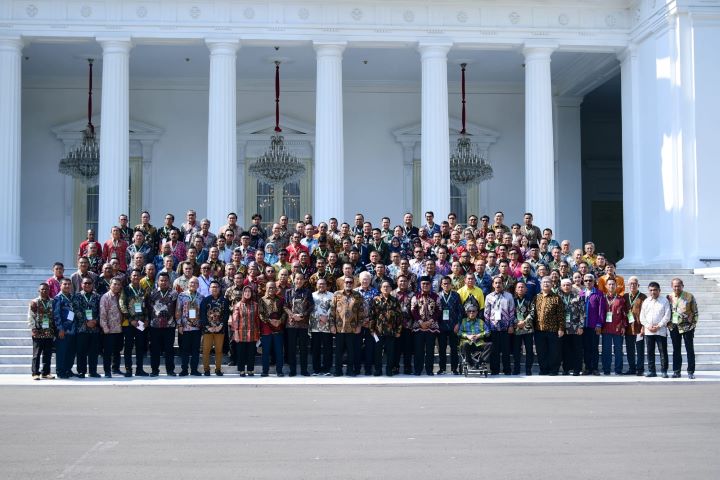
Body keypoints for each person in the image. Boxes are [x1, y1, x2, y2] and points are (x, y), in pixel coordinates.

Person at [528, 276, 565, 376]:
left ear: (552, 284)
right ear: (540, 285)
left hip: (553, 329)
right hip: (539, 329)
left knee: (554, 351)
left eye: (548, 282)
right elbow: (532, 313)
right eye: (544, 282)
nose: (546, 284)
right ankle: (543, 369)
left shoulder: (556, 298)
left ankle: (554, 370)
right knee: (541, 351)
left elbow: (561, 314)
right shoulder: (537, 297)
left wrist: (561, 328)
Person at [330, 277, 364, 376]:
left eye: (350, 282)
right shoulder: (337, 294)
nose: (348, 283)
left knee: (351, 352)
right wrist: (332, 325)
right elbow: (332, 311)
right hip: (339, 328)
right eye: (346, 282)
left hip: (352, 329)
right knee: (338, 352)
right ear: (343, 283)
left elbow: (361, 312)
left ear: (353, 284)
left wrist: (359, 325)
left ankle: (350, 370)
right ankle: (338, 371)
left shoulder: (357, 295)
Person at [147, 272, 178, 376]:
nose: (163, 282)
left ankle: (170, 370)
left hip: (169, 326)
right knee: (155, 349)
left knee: (169, 349)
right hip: (155, 326)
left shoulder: (174, 293)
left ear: (169, 282)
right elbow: (148, 309)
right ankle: (155, 370)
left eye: (165, 280)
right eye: (161, 280)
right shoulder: (152, 293)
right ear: (158, 281)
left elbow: (177, 309)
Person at [667, 278, 699, 379]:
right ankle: (676, 371)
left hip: (687, 327)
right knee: (676, 350)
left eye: (679, 285)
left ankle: (690, 371)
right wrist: (668, 324)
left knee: (689, 349)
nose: (676, 288)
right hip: (674, 327)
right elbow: (666, 311)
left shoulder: (689, 296)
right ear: (672, 286)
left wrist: (693, 324)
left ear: (682, 286)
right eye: (675, 286)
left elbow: (695, 312)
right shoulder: (669, 297)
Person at [118, 269, 148, 376]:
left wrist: (146, 320)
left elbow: (147, 306)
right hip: (129, 323)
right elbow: (122, 305)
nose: (136, 277)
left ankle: (139, 369)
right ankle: (128, 369)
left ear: (140, 277)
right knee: (129, 347)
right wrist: (131, 320)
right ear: (130, 277)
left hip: (140, 323)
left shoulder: (143, 290)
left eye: (137, 275)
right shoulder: (125, 290)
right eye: (134, 276)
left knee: (140, 346)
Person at [483, 276, 515, 375]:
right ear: (493, 284)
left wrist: (510, 325)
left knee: (506, 350)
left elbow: (512, 311)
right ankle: (494, 370)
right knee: (494, 351)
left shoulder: (509, 296)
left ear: (503, 284)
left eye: (499, 283)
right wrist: (487, 328)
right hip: (493, 328)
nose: (498, 285)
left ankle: (507, 370)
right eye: (496, 283)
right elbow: (486, 313)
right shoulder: (489, 297)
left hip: (505, 328)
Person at [369, 280, 402, 376]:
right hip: (378, 331)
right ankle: (378, 370)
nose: (386, 288)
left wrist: (398, 330)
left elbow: (399, 317)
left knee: (391, 352)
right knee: (377, 352)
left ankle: (389, 370)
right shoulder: (376, 300)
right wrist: (371, 330)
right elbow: (372, 316)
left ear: (391, 289)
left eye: (388, 286)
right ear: (380, 289)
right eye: (384, 286)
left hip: (391, 331)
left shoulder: (395, 300)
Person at [284, 273, 314, 376]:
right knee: (291, 348)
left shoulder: (307, 292)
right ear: (293, 279)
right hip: (291, 324)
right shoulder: (288, 292)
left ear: (304, 281)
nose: (299, 281)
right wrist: (292, 315)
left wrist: (302, 315)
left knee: (303, 348)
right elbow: (285, 306)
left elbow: (311, 306)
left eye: (301, 279)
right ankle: (292, 370)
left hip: (303, 324)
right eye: (297, 279)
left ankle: (304, 370)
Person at [640, 282, 671, 378]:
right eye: (651, 290)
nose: (653, 292)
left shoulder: (664, 301)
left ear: (659, 290)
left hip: (661, 331)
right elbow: (642, 316)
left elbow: (667, 315)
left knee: (663, 352)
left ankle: (664, 371)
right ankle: (651, 371)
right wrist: (648, 326)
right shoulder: (646, 301)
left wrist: (659, 326)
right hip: (649, 331)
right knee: (650, 352)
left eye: (655, 290)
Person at [410, 276, 440, 376]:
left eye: (427, 284)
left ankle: (429, 370)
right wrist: (420, 322)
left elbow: (439, 310)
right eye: (423, 284)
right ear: (420, 285)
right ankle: (418, 369)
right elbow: (413, 310)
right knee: (418, 349)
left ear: (430, 285)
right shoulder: (415, 296)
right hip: (418, 327)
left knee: (430, 350)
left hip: (431, 327)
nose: (425, 285)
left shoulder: (436, 296)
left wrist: (430, 321)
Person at [72, 278, 101, 378]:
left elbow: (101, 310)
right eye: (85, 283)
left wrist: (96, 321)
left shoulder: (97, 296)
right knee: (81, 351)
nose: (87, 285)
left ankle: (93, 371)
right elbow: (76, 310)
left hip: (94, 328)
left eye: (89, 283)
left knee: (94, 351)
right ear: (81, 284)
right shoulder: (77, 296)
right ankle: (81, 371)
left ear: (92, 284)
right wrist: (86, 321)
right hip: (82, 328)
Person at [199, 281, 229, 376]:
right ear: (209, 289)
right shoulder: (205, 300)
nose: (214, 288)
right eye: (212, 287)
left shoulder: (224, 300)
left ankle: (218, 369)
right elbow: (202, 315)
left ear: (219, 289)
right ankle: (206, 370)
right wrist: (208, 327)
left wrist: (220, 326)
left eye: (216, 287)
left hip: (220, 329)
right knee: (206, 350)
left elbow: (226, 315)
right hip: (207, 330)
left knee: (219, 351)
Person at [176, 277, 204, 376]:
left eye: (196, 283)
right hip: (185, 327)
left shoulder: (201, 297)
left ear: (198, 285)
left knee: (195, 350)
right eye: (191, 282)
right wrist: (179, 325)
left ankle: (194, 370)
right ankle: (184, 369)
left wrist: (200, 323)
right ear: (188, 284)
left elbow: (203, 313)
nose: (193, 284)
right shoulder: (182, 295)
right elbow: (178, 311)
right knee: (185, 350)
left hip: (197, 327)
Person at [28, 283, 56, 380]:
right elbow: (30, 316)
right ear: (39, 291)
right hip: (38, 332)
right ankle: (35, 373)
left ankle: (46, 372)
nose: (44, 291)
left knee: (47, 354)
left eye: (46, 289)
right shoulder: (34, 302)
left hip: (49, 331)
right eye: (42, 289)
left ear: (49, 290)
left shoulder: (52, 301)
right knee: (36, 354)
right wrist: (33, 328)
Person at [259, 281, 286, 377]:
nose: (271, 289)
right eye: (269, 287)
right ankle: (265, 371)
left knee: (279, 351)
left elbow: (284, 312)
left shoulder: (281, 299)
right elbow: (260, 314)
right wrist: (270, 321)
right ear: (266, 288)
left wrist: (280, 321)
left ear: (276, 288)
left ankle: (279, 371)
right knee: (265, 352)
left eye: (273, 287)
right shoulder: (262, 300)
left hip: (278, 329)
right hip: (266, 329)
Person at [579, 274, 606, 376]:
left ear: (594, 281)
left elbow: (601, 311)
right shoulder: (581, 293)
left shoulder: (599, 294)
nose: (588, 282)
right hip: (583, 326)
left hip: (594, 326)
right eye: (586, 280)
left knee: (594, 348)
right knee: (586, 348)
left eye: (590, 280)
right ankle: (587, 368)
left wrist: (599, 324)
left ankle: (594, 368)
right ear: (583, 282)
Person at [601, 278, 628, 375]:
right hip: (605, 328)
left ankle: (618, 369)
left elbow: (624, 314)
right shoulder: (602, 298)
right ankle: (606, 369)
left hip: (618, 328)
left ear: (616, 286)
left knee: (618, 350)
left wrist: (624, 326)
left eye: (613, 284)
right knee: (606, 350)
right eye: (609, 284)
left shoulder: (621, 299)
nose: (611, 286)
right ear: (606, 286)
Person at [231, 286, 260, 376]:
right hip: (240, 333)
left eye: (249, 292)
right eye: (245, 291)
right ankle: (241, 370)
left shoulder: (255, 305)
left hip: (252, 332)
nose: (247, 293)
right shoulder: (238, 305)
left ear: (251, 293)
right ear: (243, 293)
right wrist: (235, 332)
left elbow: (257, 319)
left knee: (251, 352)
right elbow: (235, 319)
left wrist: (259, 333)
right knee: (241, 352)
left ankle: (250, 370)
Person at [559, 278, 585, 376]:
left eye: (568, 285)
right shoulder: (558, 296)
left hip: (575, 327)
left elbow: (583, 312)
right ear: (561, 287)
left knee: (577, 350)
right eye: (564, 285)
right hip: (563, 328)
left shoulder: (578, 295)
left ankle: (576, 369)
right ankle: (566, 369)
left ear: (571, 286)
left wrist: (581, 326)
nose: (566, 287)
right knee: (565, 349)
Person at [437, 276, 462, 375]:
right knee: (442, 349)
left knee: (454, 349)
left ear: (451, 284)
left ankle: (454, 368)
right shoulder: (438, 296)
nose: (446, 285)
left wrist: (458, 324)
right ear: (441, 285)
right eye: (444, 284)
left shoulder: (456, 295)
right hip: (441, 326)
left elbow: (460, 311)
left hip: (453, 326)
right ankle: (442, 368)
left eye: (448, 283)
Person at [99, 278, 124, 378]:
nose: (117, 286)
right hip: (109, 330)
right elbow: (103, 314)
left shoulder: (121, 296)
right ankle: (107, 371)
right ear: (110, 285)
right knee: (108, 352)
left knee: (117, 351)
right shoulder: (105, 297)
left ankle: (116, 369)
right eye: (115, 284)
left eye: (119, 284)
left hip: (120, 329)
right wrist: (105, 328)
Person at [52, 278, 76, 379]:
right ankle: (60, 371)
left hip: (73, 330)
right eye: (65, 284)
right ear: (60, 286)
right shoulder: (58, 298)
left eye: (69, 284)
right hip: (63, 330)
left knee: (70, 352)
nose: (67, 286)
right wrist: (60, 329)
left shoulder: (72, 297)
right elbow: (56, 315)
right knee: (61, 352)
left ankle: (68, 369)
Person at [310, 278, 334, 376]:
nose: (321, 286)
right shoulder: (312, 295)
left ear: (326, 285)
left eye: (323, 284)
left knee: (327, 349)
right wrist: (319, 316)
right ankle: (316, 370)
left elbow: (333, 307)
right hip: (315, 326)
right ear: (316, 285)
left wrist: (326, 316)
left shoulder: (331, 295)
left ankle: (327, 369)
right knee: (315, 349)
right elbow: (309, 308)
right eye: (319, 284)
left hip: (327, 326)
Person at [623, 276, 646, 376]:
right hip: (628, 328)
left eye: (634, 283)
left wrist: (644, 326)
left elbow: (646, 313)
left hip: (639, 328)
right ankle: (632, 368)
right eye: (631, 284)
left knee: (640, 349)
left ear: (638, 285)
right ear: (628, 285)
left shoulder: (643, 297)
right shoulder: (625, 296)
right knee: (630, 349)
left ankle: (640, 369)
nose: (632, 285)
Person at [458, 304, 491, 368]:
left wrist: (479, 335)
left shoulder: (481, 321)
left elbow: (488, 332)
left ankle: (480, 362)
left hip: (478, 343)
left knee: (490, 345)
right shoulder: (463, 321)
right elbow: (459, 333)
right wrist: (467, 336)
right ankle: (470, 363)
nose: (471, 313)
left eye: (473, 311)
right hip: (468, 343)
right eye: (469, 311)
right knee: (465, 344)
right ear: (466, 313)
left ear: (477, 312)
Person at [512, 281, 534, 375]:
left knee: (529, 350)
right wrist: (517, 322)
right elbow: (509, 312)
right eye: (519, 287)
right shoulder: (512, 300)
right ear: (516, 290)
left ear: (526, 289)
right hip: (516, 328)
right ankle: (516, 369)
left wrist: (524, 322)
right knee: (516, 350)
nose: (521, 289)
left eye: (522, 287)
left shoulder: (530, 299)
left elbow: (533, 312)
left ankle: (528, 369)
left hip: (527, 328)